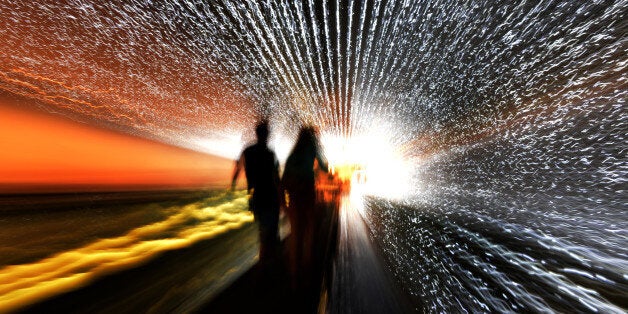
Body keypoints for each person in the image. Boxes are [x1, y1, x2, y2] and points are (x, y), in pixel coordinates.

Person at [281, 126, 329, 306]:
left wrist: (284, 204)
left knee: (295, 236)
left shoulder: (292, 155)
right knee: (309, 235)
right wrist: (319, 149)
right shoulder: (313, 149)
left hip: (293, 197)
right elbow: (324, 167)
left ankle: (294, 278)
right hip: (307, 194)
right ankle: (307, 276)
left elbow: (284, 182)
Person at [231, 121, 281, 262]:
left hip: (256, 195)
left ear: (257, 133)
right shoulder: (270, 153)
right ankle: (270, 260)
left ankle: (264, 260)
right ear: (267, 135)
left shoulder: (247, 151)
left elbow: (237, 170)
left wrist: (233, 188)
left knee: (263, 230)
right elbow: (276, 177)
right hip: (270, 195)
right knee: (271, 230)